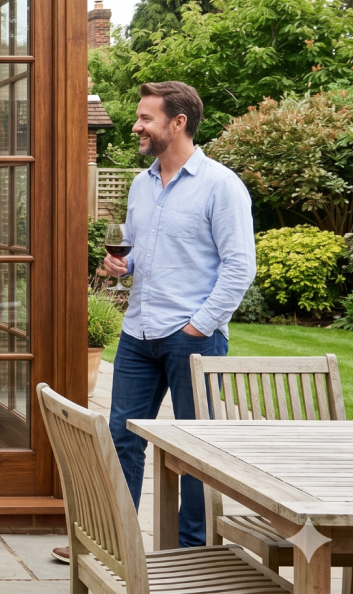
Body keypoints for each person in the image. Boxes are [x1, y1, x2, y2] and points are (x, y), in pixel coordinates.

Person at [54, 81, 255, 563]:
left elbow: (239, 266)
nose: (137, 125)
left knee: (192, 447)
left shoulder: (221, 185)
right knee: (121, 438)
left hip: (192, 338)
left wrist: (199, 326)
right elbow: (139, 254)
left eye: (146, 118)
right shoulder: (142, 184)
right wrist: (119, 267)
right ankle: (112, 542)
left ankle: (192, 551)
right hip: (139, 332)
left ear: (178, 123)